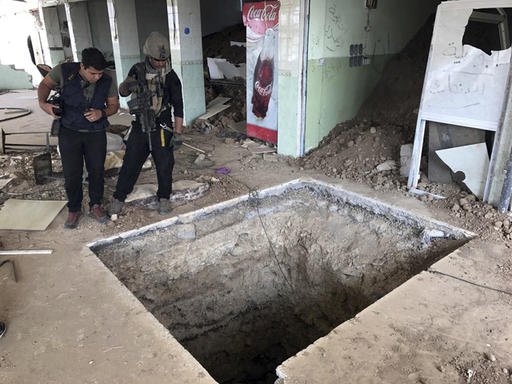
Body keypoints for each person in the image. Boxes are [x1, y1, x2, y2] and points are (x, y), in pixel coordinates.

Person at [38, 48, 119, 229]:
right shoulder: (63, 71)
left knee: (97, 170)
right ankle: (74, 208)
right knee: (71, 172)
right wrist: (44, 104)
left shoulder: (107, 79)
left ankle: (95, 205)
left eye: (100, 73)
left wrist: (102, 112)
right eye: (93, 73)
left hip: (96, 133)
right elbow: (45, 85)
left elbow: (114, 105)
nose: (97, 77)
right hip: (69, 130)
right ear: (82, 66)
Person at [109, 32, 183, 216]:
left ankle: (164, 197)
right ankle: (119, 197)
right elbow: (123, 92)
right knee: (131, 162)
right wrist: (127, 84)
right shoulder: (137, 69)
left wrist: (178, 132)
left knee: (165, 163)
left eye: (163, 60)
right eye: (157, 60)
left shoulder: (171, 77)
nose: (160, 63)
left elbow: (179, 106)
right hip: (140, 124)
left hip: (162, 126)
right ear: (149, 56)